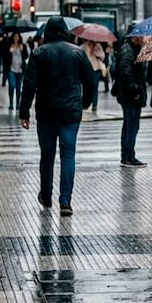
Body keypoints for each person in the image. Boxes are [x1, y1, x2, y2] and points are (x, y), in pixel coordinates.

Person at [19, 17, 95, 216]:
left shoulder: (39, 53)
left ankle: (46, 194)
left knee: (47, 155)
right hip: (70, 112)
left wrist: (24, 111)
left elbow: (29, 85)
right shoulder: (77, 52)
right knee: (68, 155)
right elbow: (91, 81)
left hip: (46, 113)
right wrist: (85, 102)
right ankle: (65, 201)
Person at [114, 35, 148, 167]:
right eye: (143, 36)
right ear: (136, 37)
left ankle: (127, 155)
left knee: (130, 125)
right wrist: (135, 90)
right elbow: (125, 72)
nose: (145, 38)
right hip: (131, 96)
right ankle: (129, 157)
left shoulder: (132, 49)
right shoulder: (129, 51)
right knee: (131, 125)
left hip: (129, 95)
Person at [85, 40, 109, 112]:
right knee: (87, 88)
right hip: (87, 69)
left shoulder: (98, 46)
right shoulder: (84, 46)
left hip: (96, 69)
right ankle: (86, 104)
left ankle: (94, 105)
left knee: (95, 88)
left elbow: (103, 56)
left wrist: (95, 52)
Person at [7, 33, 28, 111]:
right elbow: (5, 56)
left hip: (20, 70)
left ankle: (17, 104)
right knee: (12, 86)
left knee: (19, 88)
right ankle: (11, 103)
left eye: (17, 37)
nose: (16, 38)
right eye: (15, 37)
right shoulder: (10, 46)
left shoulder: (22, 46)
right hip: (11, 69)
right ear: (13, 38)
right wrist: (9, 51)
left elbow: (26, 56)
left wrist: (22, 50)